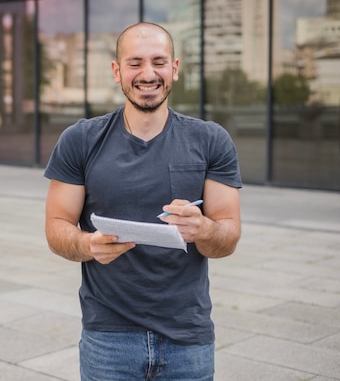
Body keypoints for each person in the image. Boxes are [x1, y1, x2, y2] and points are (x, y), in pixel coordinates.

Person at [44, 22, 242, 380]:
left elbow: (227, 238)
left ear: (175, 69)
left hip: (188, 339)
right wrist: (87, 243)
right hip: (108, 339)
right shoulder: (80, 140)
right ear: (117, 72)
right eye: (135, 63)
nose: (148, 73)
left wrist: (203, 229)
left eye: (158, 62)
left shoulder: (211, 140)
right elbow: (56, 228)